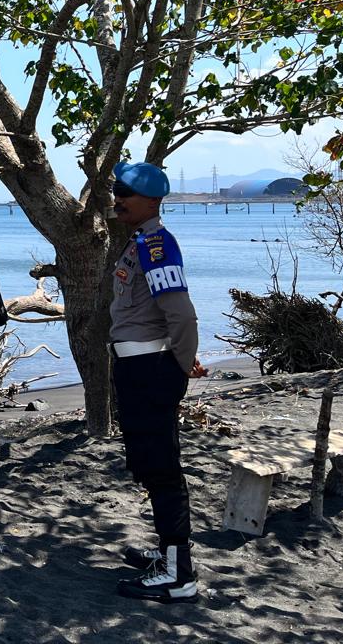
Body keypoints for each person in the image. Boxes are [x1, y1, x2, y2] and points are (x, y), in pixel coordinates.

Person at [109, 161, 207, 602]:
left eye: (125, 192)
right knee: (148, 466)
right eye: (115, 190)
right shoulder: (140, 243)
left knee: (162, 470)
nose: (117, 198)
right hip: (137, 369)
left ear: (151, 200)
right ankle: (167, 552)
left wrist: (178, 368)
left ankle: (177, 573)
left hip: (150, 373)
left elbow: (182, 314)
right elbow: (156, 313)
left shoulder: (156, 247)